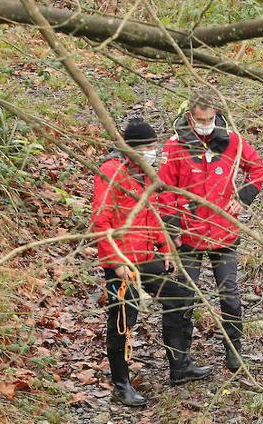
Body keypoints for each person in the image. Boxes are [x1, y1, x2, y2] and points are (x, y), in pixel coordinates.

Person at [90, 118, 210, 408]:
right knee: (123, 321)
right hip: (122, 263)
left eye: (154, 146)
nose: (153, 152)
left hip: (146, 257)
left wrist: (165, 248)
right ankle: (122, 384)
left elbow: (152, 215)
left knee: (181, 295)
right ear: (131, 149)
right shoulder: (110, 172)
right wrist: (116, 263)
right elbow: (100, 221)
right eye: (147, 147)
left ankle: (179, 366)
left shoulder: (145, 174)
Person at [158, 86, 263, 373]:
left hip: (224, 233)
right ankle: (180, 364)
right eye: (198, 120)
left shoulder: (232, 142)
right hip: (188, 235)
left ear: (216, 114)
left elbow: (257, 169)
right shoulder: (175, 146)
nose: (203, 126)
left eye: (207, 120)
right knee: (183, 300)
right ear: (190, 116)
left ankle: (234, 352)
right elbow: (164, 192)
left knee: (229, 296)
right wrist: (173, 228)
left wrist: (242, 199)